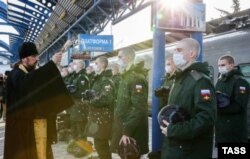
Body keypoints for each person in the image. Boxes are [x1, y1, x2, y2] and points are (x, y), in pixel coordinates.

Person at [4, 42, 73, 159]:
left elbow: (38, 84)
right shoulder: (16, 74)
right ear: (25, 59)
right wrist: (51, 64)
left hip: (33, 122)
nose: (37, 58)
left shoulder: (28, 73)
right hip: (22, 127)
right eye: (34, 56)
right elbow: (29, 83)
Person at [160, 38, 216, 159]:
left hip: (189, 151)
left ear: (192, 54)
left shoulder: (201, 81)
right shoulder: (181, 78)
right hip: (176, 147)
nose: (175, 53)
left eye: (179, 50)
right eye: (174, 50)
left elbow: (207, 118)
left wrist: (174, 131)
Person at [111, 47, 149, 158]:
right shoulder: (126, 76)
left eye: (119, 56)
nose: (117, 59)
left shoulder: (136, 78)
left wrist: (126, 132)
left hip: (132, 132)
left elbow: (139, 108)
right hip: (124, 127)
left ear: (127, 57)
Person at [84, 56, 115, 159]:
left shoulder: (106, 81)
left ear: (102, 64)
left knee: (102, 146)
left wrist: (90, 101)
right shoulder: (99, 79)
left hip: (103, 118)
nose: (94, 65)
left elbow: (106, 99)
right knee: (100, 145)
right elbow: (96, 95)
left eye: (96, 63)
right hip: (98, 117)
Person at [215, 55, 250, 144]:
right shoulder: (220, 81)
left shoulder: (240, 82)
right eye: (219, 65)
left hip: (235, 130)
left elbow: (239, 106)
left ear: (231, 65)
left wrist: (217, 109)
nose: (220, 68)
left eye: (223, 65)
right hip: (222, 130)